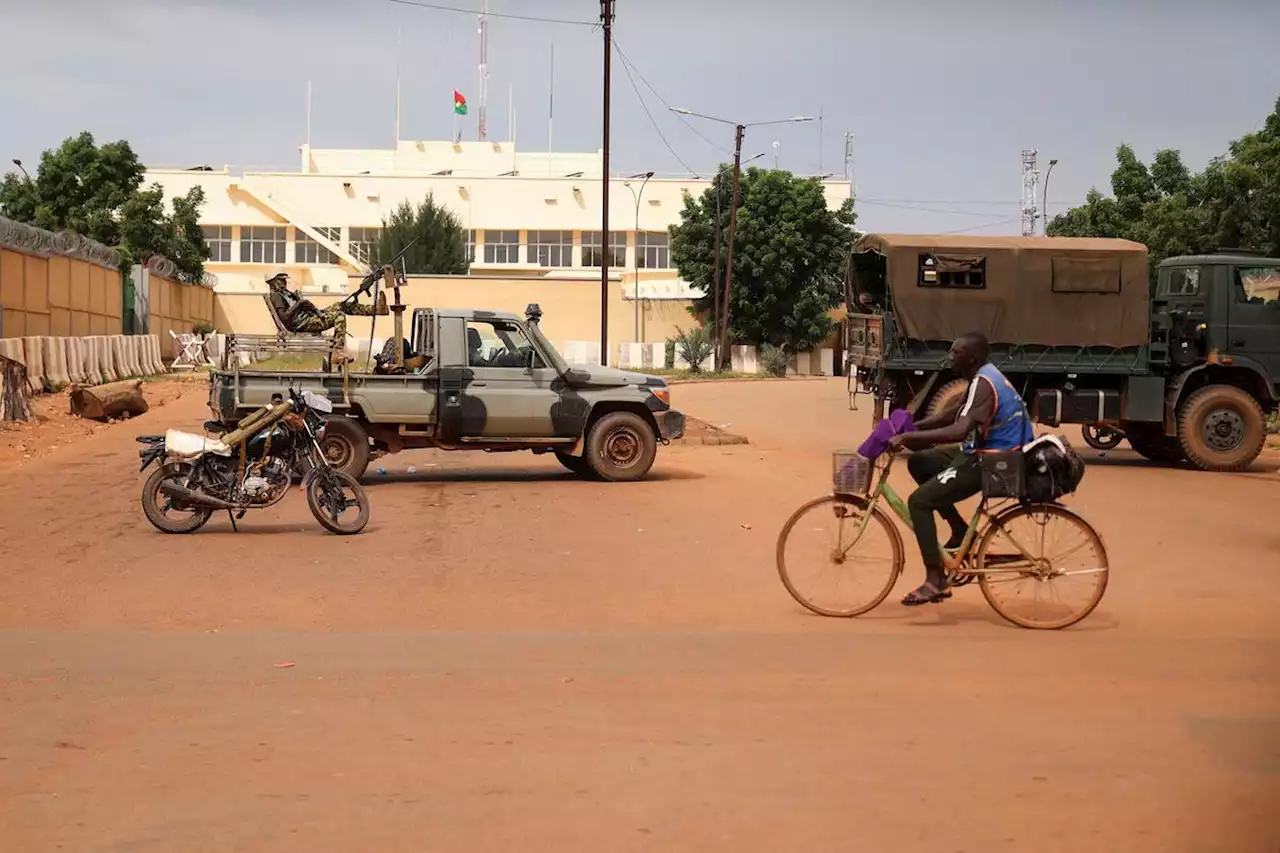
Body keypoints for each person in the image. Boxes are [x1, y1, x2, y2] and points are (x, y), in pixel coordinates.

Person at [887, 331, 1033, 606]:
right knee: (920, 462)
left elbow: (958, 430)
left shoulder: (985, 384)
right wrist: (911, 428)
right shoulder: (981, 377)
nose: (949, 357)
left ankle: (935, 579)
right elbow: (951, 414)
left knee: (918, 502)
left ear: (972, 358)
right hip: (982, 451)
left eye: (955, 353)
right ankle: (959, 529)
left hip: (994, 461)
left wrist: (907, 439)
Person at [265, 272, 387, 344]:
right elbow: (285, 317)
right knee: (339, 315)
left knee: (341, 305)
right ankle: (338, 351)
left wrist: (302, 302)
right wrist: (300, 304)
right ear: (274, 282)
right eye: (282, 281)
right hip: (303, 324)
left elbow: (298, 307)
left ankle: (376, 310)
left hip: (309, 318)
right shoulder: (276, 296)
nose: (285, 283)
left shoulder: (285, 294)